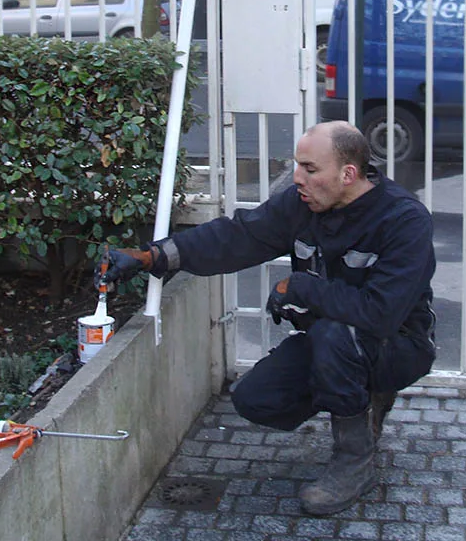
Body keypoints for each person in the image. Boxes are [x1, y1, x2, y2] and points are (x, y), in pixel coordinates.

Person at [97, 120, 436, 515]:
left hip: (398, 344)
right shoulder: (302, 204)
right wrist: (151, 257)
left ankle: (355, 463)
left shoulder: (404, 220)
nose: (297, 178)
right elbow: (237, 237)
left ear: (348, 174)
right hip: (335, 345)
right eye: (297, 165)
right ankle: (358, 401)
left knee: (334, 335)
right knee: (255, 399)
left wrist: (301, 289)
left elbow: (381, 313)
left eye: (310, 169)